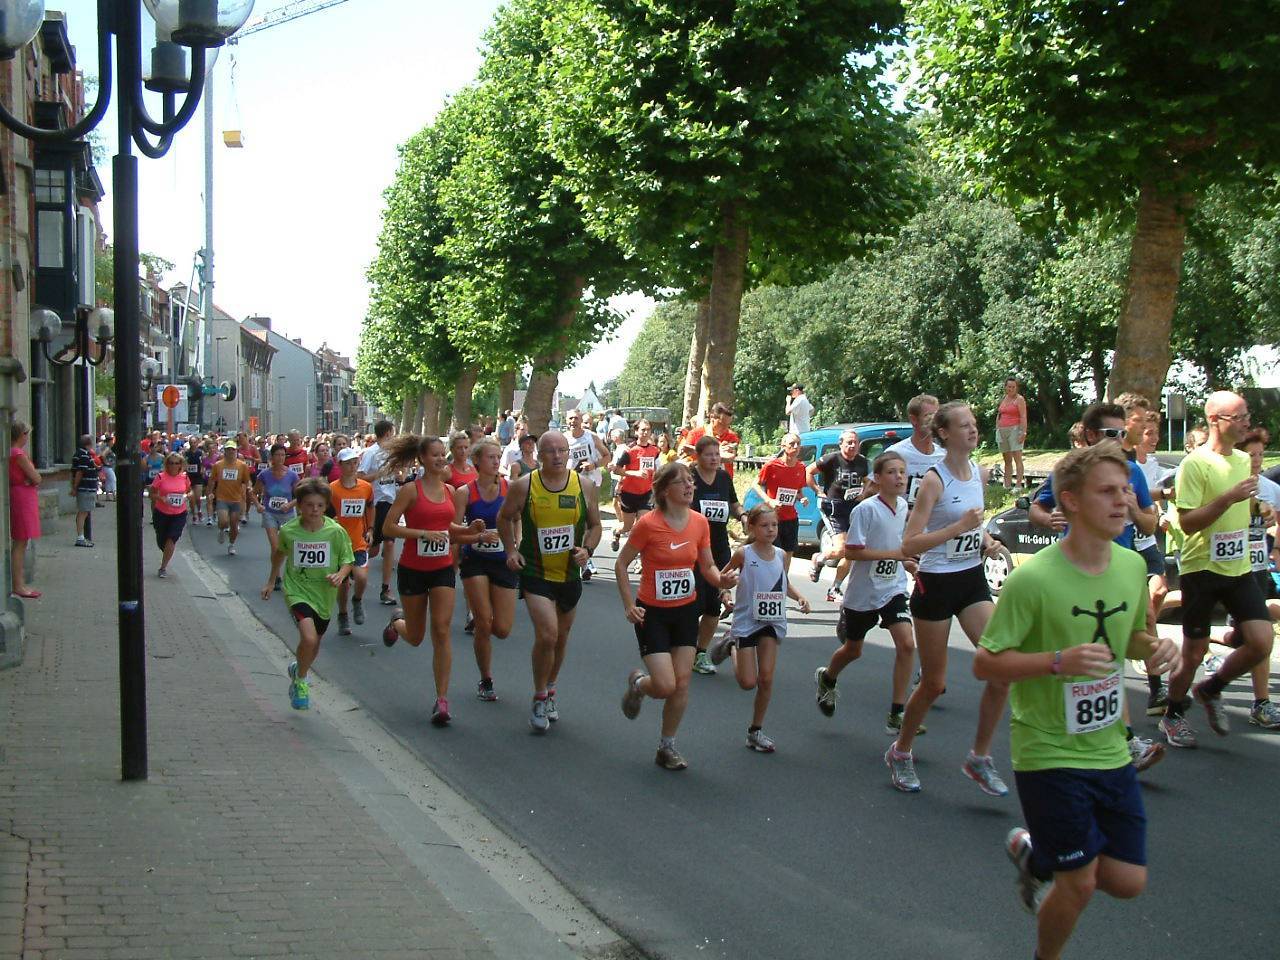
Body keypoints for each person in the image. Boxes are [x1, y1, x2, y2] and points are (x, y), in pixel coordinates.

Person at [975, 443, 1178, 960]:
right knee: (1080, 882)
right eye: (1107, 492)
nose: (1123, 501)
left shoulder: (1131, 566)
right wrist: (1056, 662)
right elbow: (986, 663)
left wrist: (1156, 648)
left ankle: (1037, 855)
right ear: (1070, 501)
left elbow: (1129, 638)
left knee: (1128, 881)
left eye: (1125, 491)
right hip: (1047, 750)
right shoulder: (1033, 579)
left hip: (1109, 749)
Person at [1029, 402, 1163, 769]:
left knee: (1128, 639)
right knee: (1099, 653)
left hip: (1122, 569)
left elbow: (1150, 525)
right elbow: (1036, 507)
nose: (1119, 440)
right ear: (1090, 436)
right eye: (1110, 434)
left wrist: (1133, 509)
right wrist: (1049, 518)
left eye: (1123, 433)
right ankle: (1118, 739)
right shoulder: (1070, 472)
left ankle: (1151, 698)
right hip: (1078, 571)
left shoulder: (1133, 472)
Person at [890, 401, 1009, 796]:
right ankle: (901, 751)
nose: (973, 430)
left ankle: (979, 757)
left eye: (974, 424)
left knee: (1000, 667)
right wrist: (959, 527)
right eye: (963, 425)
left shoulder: (978, 472)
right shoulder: (934, 480)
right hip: (936, 584)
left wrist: (986, 540)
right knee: (934, 683)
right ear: (944, 433)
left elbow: (973, 524)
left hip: (971, 580)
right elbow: (910, 543)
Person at [1159, 392, 1275, 748]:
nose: (1245, 422)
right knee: (1193, 654)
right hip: (1202, 569)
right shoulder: (1195, 464)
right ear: (1215, 421)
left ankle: (1211, 689)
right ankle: (1173, 713)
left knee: (1261, 641)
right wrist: (1229, 499)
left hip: (1239, 568)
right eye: (1238, 417)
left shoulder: (1242, 459)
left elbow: (1243, 502)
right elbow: (1189, 522)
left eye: (1246, 415)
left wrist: (1258, 508)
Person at [617, 462, 738, 768]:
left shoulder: (699, 522)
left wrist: (721, 581)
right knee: (664, 685)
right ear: (664, 490)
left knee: (681, 683)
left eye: (690, 481)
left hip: (685, 611)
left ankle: (666, 747)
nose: (689, 486)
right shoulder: (648, 524)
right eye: (682, 482)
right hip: (652, 614)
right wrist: (629, 605)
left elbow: (707, 565)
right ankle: (639, 684)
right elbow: (621, 564)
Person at [379, 434, 486, 726]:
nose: (440, 459)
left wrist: (471, 531)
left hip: (442, 568)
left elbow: (447, 528)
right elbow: (389, 527)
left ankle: (442, 700)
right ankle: (396, 623)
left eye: (442, 454)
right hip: (413, 568)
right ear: (422, 459)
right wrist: (421, 534)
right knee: (416, 637)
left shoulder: (450, 490)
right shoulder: (410, 490)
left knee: (441, 629)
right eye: (435, 455)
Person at [499, 431, 602, 731]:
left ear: (569, 453)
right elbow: (504, 517)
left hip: (569, 574)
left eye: (562, 450)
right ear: (539, 454)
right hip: (536, 572)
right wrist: (511, 550)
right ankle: (539, 695)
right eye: (550, 451)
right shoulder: (524, 485)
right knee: (547, 634)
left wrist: (587, 550)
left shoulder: (583, 486)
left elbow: (595, 525)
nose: (557, 456)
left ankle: (551, 687)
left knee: (561, 638)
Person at [813, 450, 920, 735]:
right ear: (878, 478)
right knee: (853, 649)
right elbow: (852, 552)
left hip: (893, 587)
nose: (899, 477)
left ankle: (897, 712)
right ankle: (828, 677)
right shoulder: (865, 510)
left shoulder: (903, 507)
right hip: (863, 591)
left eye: (902, 472)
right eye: (892, 472)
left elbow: (895, 546)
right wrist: (894, 555)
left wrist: (906, 563)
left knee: (906, 644)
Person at [708, 505, 810, 752]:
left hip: (771, 621)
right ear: (751, 527)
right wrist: (725, 592)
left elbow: (783, 583)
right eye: (764, 525)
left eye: (774, 525)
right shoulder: (744, 554)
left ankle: (755, 731)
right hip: (747, 621)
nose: (771, 530)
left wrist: (799, 597)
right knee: (747, 682)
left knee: (766, 678)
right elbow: (722, 577)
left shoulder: (780, 555)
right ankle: (731, 644)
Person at [261, 477, 355, 711]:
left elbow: (348, 560)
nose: (314, 510)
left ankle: (298, 668)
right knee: (309, 638)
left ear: (326, 506)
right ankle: (301, 682)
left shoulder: (336, 532)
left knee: (314, 644)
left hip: (324, 593)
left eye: (320, 505)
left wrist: (340, 575)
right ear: (299, 505)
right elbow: (279, 555)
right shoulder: (289, 531)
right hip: (297, 590)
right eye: (309, 505)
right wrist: (271, 581)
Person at [1218, 427, 1280, 729]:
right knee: (1242, 636)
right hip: (1226, 569)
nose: (1256, 460)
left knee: (1261, 633)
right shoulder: (1227, 483)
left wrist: (1274, 544)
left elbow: (1277, 523)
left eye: (1259, 454)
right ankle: (1200, 684)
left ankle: (1261, 702)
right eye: (1250, 454)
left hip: (1256, 569)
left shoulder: (1270, 488)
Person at [457, 438, 518, 702]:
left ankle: (485, 626)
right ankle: (486, 679)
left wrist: (516, 545)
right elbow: (453, 531)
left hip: (503, 560)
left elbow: (517, 520)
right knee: (483, 622)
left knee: (502, 629)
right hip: (475, 560)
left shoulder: (510, 488)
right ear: (477, 461)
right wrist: (474, 535)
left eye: (498, 456)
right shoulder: (465, 492)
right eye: (490, 457)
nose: (496, 461)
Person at [689, 435, 745, 675]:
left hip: (719, 548)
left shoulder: (723, 477)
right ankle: (683, 647)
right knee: (694, 604)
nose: (714, 459)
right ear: (698, 456)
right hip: (693, 549)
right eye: (709, 455)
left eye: (717, 454)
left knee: (713, 607)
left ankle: (700, 653)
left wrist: (743, 516)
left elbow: (733, 503)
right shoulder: (689, 477)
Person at [806, 428, 870, 600]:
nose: (852, 445)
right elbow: (809, 471)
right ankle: (819, 559)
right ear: (841, 444)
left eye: (855, 442)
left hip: (853, 508)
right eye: (849, 442)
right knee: (842, 548)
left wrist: (864, 494)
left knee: (852, 550)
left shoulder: (862, 461)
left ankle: (835, 588)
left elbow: (867, 481)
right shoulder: (832, 459)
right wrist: (817, 490)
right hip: (833, 507)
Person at [329, 447, 374, 637]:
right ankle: (343, 615)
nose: (352, 466)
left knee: (361, 577)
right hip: (338, 544)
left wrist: (370, 529)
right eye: (348, 463)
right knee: (343, 583)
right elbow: (325, 512)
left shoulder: (365, 487)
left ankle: (357, 600)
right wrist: (330, 521)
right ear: (340, 465)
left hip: (358, 541)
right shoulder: (332, 489)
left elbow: (370, 507)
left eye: (355, 462)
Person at [751, 432, 811, 572]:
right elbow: (755, 484)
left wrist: (802, 498)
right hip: (772, 518)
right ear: (783, 446)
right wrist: (769, 500)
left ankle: (783, 579)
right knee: (772, 551)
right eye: (792, 444)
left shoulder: (801, 467)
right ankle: (769, 577)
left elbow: (798, 490)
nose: (795, 447)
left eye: (798, 444)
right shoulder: (772, 465)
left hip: (791, 517)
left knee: (788, 551)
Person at [359, 419, 401, 607]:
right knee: (373, 549)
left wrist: (398, 474)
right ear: (388, 433)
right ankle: (351, 565)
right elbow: (360, 477)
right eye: (393, 433)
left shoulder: (392, 453)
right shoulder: (371, 453)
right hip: (375, 504)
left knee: (390, 543)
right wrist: (380, 474)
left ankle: (386, 589)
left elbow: (397, 474)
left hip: (390, 501)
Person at [255, 444, 300, 590]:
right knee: (275, 547)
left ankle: (291, 575)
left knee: (290, 547)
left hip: (287, 514)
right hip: (270, 513)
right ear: (271, 457)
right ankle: (276, 577)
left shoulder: (292, 475)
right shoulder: (264, 475)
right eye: (277, 455)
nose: (280, 458)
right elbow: (253, 492)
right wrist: (258, 504)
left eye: (283, 455)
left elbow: (300, 496)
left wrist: (290, 504)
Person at [884, 394, 942, 506]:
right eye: (928, 416)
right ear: (913, 419)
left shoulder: (944, 455)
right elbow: (874, 493)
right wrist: (904, 512)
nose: (934, 421)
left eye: (937, 416)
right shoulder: (895, 454)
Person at [610, 419, 659, 551]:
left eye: (648, 430)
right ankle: (617, 532)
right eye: (643, 430)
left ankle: (638, 553)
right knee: (627, 527)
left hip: (646, 493)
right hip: (629, 493)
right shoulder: (630, 450)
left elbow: (657, 468)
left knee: (642, 524)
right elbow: (617, 470)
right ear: (636, 432)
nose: (646, 432)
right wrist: (635, 473)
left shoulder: (655, 450)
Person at [9, 421, 42, 599]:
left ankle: (19, 584)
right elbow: (36, 478)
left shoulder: (12, 452)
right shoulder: (18, 454)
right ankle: (18, 585)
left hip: (19, 494)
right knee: (21, 542)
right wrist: (32, 479)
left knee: (20, 541)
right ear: (22, 435)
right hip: (23, 497)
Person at [149, 452, 193, 578]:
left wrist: (186, 496)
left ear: (181, 465)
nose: (174, 466)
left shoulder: (184, 477)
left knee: (171, 538)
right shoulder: (160, 477)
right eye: (171, 463)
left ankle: (163, 567)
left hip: (179, 513)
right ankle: (166, 551)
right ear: (167, 464)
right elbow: (151, 494)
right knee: (161, 540)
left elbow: (190, 492)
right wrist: (161, 498)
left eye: (176, 463)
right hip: (162, 513)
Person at [212, 441, 256, 555]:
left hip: (236, 499)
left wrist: (249, 487)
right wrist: (210, 493)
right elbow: (212, 480)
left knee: (234, 526)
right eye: (228, 449)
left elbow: (247, 480)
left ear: (236, 451)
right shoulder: (218, 465)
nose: (231, 451)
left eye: (233, 449)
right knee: (223, 521)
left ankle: (231, 544)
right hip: (222, 498)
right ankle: (221, 530)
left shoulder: (242, 465)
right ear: (225, 451)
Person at [680, 403, 739, 477]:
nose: (725, 428)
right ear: (712, 418)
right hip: (698, 478)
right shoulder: (694, 434)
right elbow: (686, 459)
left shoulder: (732, 436)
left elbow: (729, 458)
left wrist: (697, 451)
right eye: (722, 424)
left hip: (723, 480)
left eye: (728, 425)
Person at [996, 377, 1029, 490]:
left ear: (1016, 388)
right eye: (1009, 387)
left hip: (1015, 429)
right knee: (1007, 459)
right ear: (1005, 387)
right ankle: (1007, 485)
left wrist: (1023, 432)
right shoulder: (1004, 398)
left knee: (1017, 457)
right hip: (1002, 430)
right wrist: (997, 428)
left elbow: (1023, 416)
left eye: (1013, 387)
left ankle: (1019, 485)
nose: (1011, 389)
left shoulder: (1019, 399)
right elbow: (999, 414)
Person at [71, 434, 100, 547]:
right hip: (86, 487)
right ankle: (80, 537)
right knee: (83, 512)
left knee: (84, 511)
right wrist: (75, 487)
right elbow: (80, 472)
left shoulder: (83, 454)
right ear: (89, 444)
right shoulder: (83, 455)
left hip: (87, 487)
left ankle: (82, 536)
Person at [183, 436, 208, 525]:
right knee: (191, 498)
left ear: (197, 443)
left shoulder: (200, 453)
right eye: (191, 443)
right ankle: (194, 514)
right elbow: (184, 463)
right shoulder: (186, 453)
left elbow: (204, 463)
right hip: (189, 477)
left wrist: (203, 469)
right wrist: (184, 469)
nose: (193, 444)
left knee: (197, 497)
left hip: (198, 476)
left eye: (194, 443)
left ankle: (199, 510)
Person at [98, 436, 117, 501]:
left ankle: (108, 496)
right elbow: (103, 455)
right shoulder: (108, 448)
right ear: (108, 442)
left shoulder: (106, 448)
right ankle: (114, 495)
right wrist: (106, 462)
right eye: (111, 441)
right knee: (113, 479)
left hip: (106, 467)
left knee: (108, 481)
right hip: (108, 467)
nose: (112, 443)